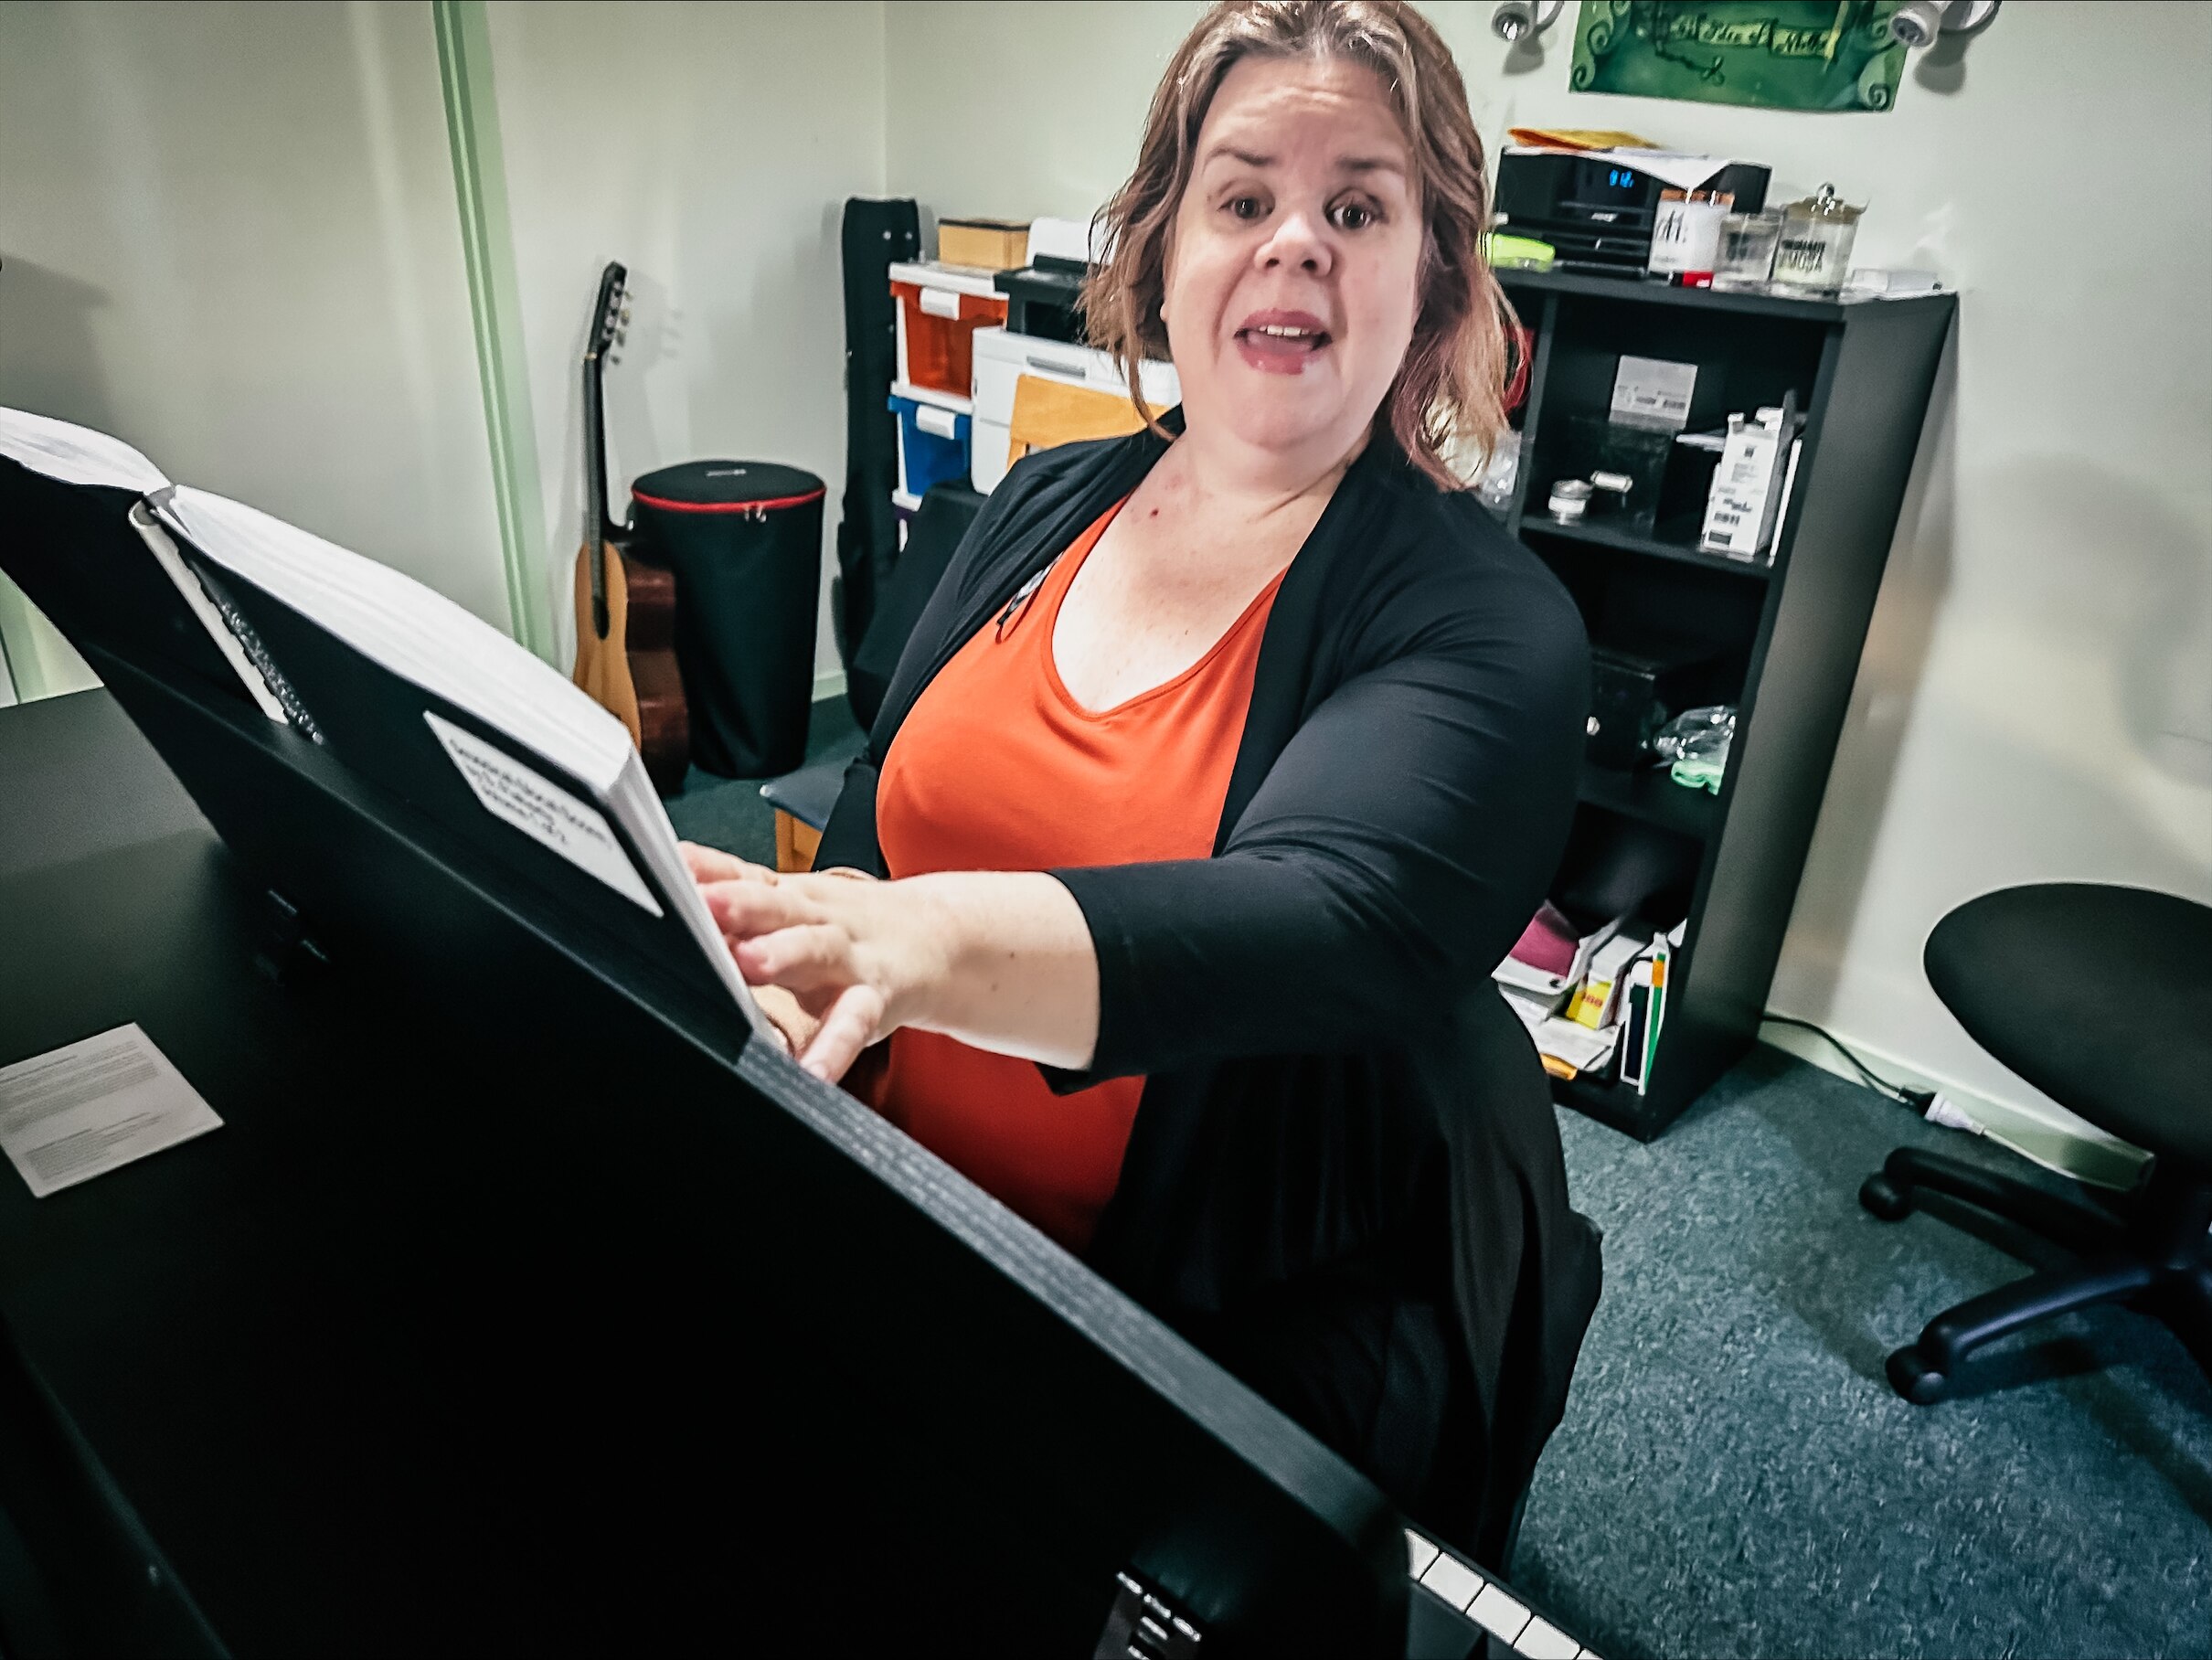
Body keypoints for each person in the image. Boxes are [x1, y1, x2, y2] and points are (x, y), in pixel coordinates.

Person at [684, 0, 1600, 1561]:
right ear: (1164, 247)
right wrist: (814, 952)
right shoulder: (1045, 495)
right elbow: (888, 797)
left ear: (1436, 277)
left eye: (1357, 210)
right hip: (916, 1204)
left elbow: (1321, 919)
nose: (1294, 241)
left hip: (1211, 1312)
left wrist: (910, 946)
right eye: (1243, 197)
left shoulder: (1488, 622)